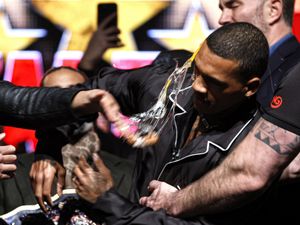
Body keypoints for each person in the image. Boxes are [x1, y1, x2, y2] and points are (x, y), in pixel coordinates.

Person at [70, 22, 271, 225]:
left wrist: (107, 201)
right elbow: (81, 91)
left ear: (250, 87)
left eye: (214, 82)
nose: (197, 86)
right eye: (197, 70)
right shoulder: (167, 88)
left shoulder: (253, 153)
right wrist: (50, 143)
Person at [137, 0, 300, 223]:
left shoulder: (294, 72)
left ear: (273, 9)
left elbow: (270, 168)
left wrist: (178, 197)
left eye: (233, 5)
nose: (222, 18)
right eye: (221, 8)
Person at [29, 66, 133, 212]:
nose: (66, 104)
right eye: (54, 96)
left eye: (74, 94)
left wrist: (109, 200)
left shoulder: (129, 172)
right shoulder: (12, 173)